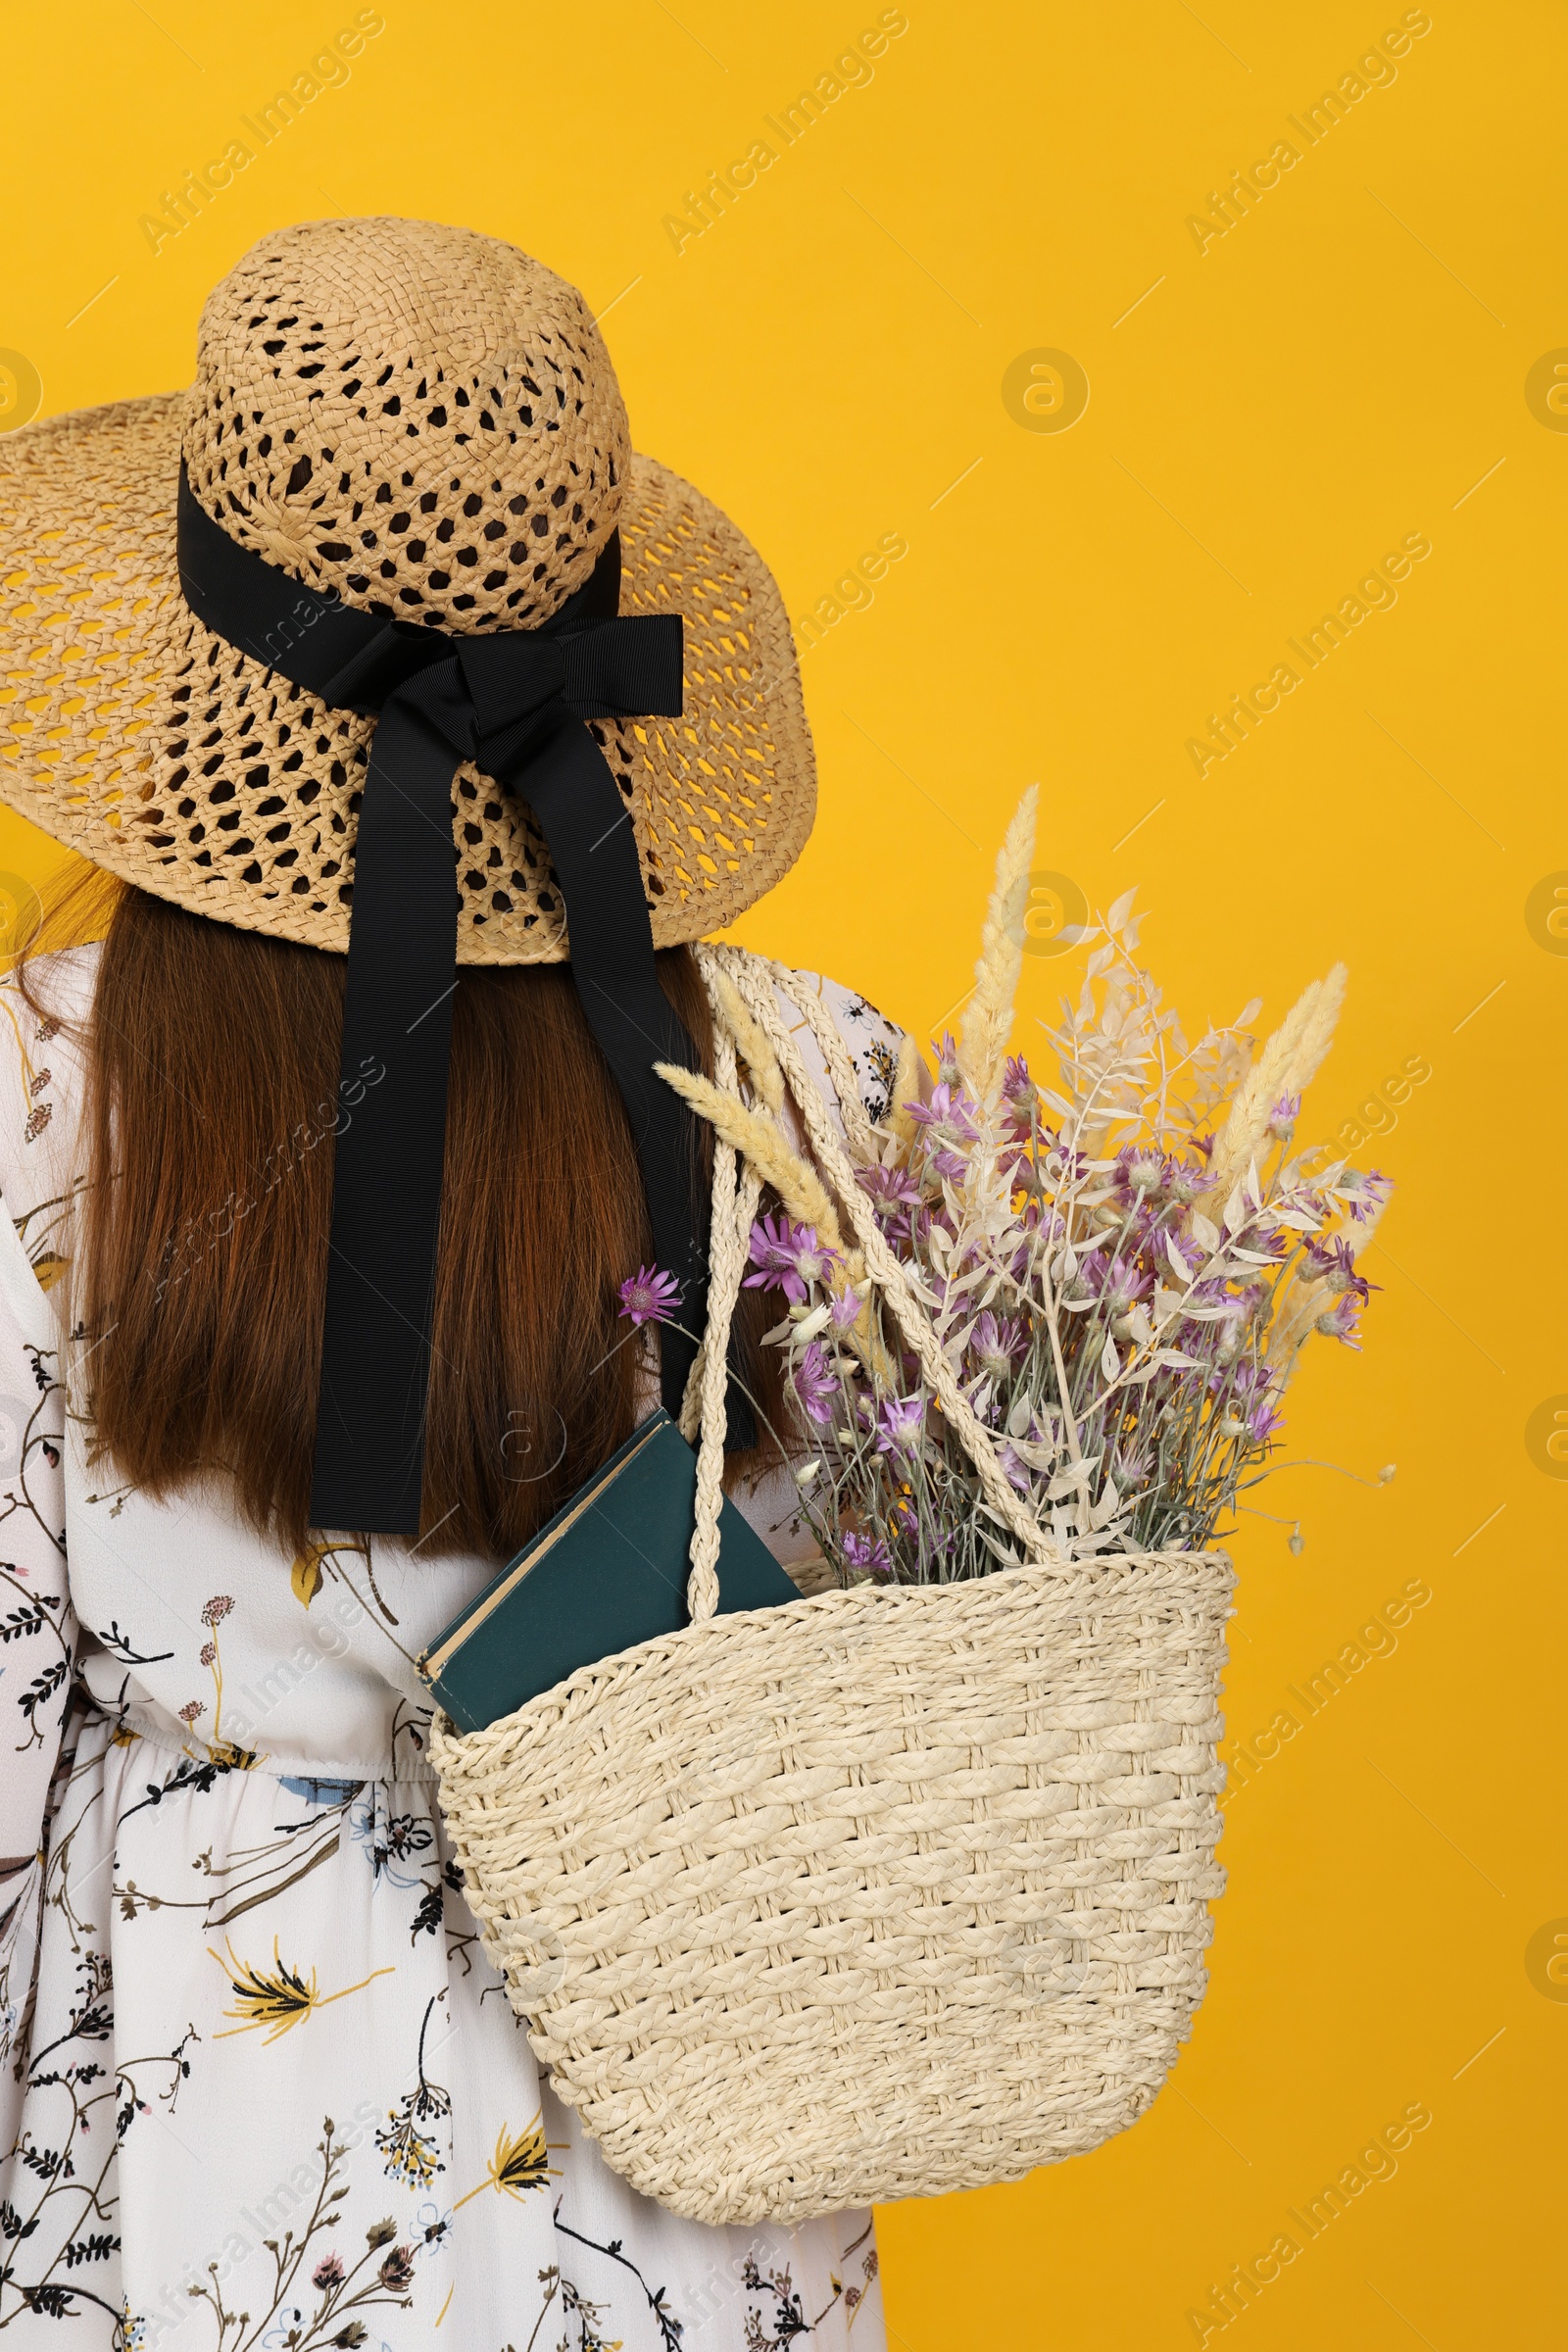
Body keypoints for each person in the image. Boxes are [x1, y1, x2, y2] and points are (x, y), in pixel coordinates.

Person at [0, 217, 894, 2350]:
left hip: (197, 2127)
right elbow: (909, 1685)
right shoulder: (830, 1082)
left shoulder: (34, 1098)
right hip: (704, 2119)